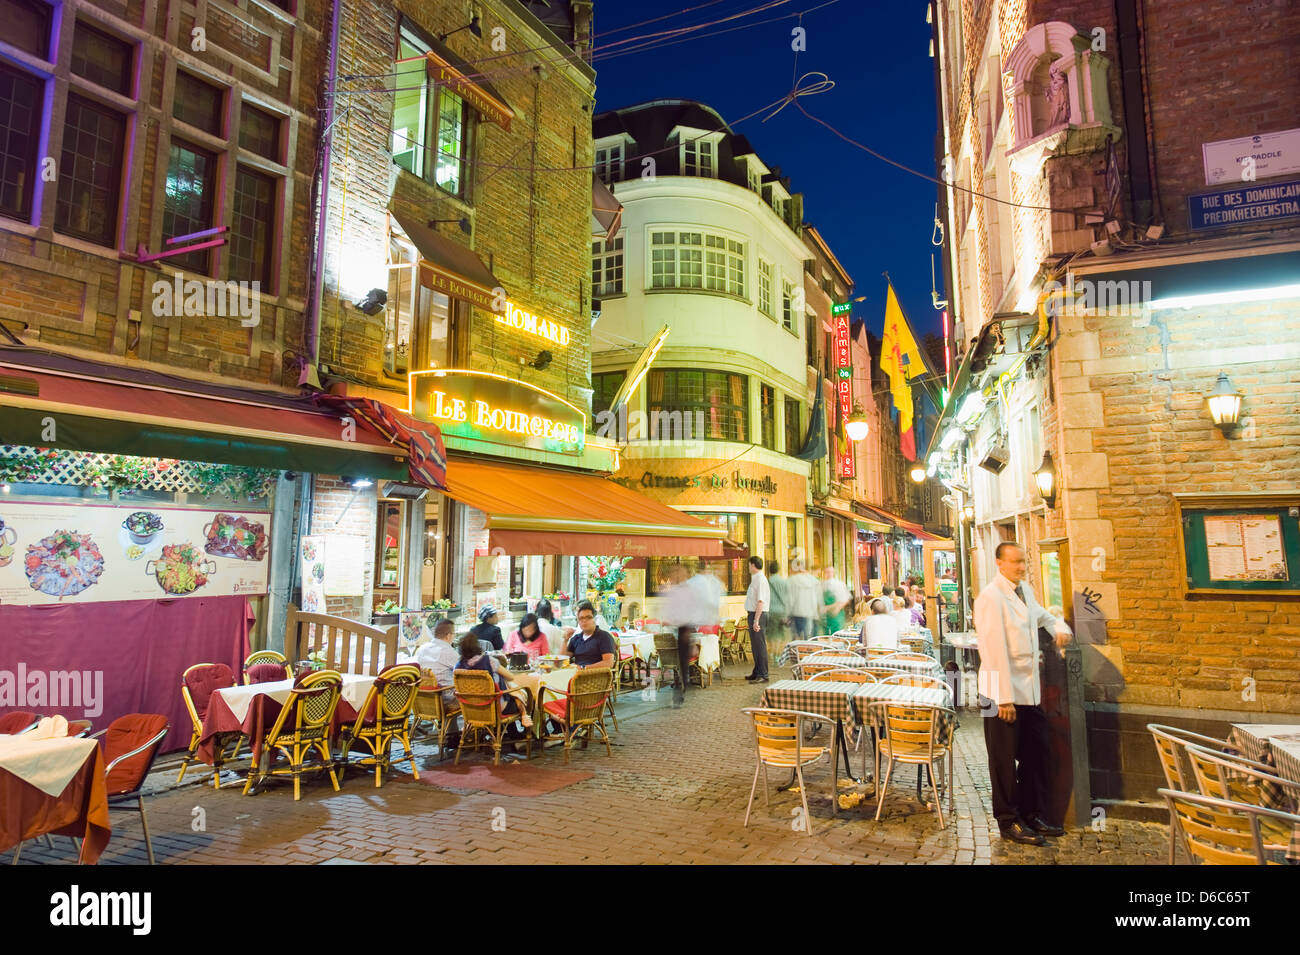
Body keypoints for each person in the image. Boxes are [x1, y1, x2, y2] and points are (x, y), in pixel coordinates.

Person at [974, 542, 1073, 847]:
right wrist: (1003, 698)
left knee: (1037, 752)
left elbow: (1043, 616)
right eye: (1015, 562)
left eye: (1023, 562)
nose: (1021, 567)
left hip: (1027, 691)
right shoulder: (991, 598)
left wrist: (1060, 626)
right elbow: (992, 649)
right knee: (1003, 761)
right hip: (999, 694)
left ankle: (1031, 813)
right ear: (999, 563)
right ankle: (1008, 821)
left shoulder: (1024, 591)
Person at [456, 634, 532, 742]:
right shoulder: (488, 661)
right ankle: (524, 737)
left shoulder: (458, 666)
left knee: (507, 696)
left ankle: (510, 735)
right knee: (521, 698)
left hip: (471, 710)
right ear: (477, 646)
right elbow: (510, 677)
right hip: (495, 708)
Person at [415, 617, 460, 705]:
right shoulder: (448, 652)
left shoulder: (422, 648)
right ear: (449, 635)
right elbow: (464, 671)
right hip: (445, 698)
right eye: (454, 634)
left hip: (422, 697)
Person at [564, 600, 616, 669]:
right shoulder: (576, 639)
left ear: (594, 619)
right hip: (577, 676)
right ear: (578, 621)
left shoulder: (604, 637)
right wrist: (565, 640)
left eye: (588, 617)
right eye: (581, 618)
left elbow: (608, 663)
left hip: (598, 676)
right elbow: (563, 660)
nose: (584, 621)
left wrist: (583, 668)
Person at [744, 556, 771, 683]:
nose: (748, 567)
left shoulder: (760, 579)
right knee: (755, 646)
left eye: (749, 565)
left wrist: (756, 620)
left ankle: (763, 674)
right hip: (753, 614)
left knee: (760, 645)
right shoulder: (755, 579)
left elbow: (761, 601)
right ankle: (757, 671)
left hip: (758, 614)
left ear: (753, 565)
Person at [786, 560, 821, 640]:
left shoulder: (791, 580)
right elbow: (816, 597)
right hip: (809, 613)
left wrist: (787, 613)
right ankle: (808, 651)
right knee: (808, 637)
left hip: (796, 612)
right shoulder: (812, 580)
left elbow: (790, 599)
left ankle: (797, 651)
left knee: (796, 637)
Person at [820, 566, 851, 634]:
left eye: (831, 572)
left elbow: (845, 600)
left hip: (836, 616)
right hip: (825, 617)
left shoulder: (838, 584)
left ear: (833, 573)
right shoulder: (821, 585)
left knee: (837, 635)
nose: (829, 574)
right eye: (827, 572)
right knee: (826, 637)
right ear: (824, 573)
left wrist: (836, 608)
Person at [766, 560, 790, 646]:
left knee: (772, 635)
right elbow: (787, 599)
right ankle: (779, 653)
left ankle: (773, 652)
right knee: (781, 634)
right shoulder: (784, 582)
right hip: (782, 612)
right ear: (778, 570)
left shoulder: (767, 582)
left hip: (771, 612)